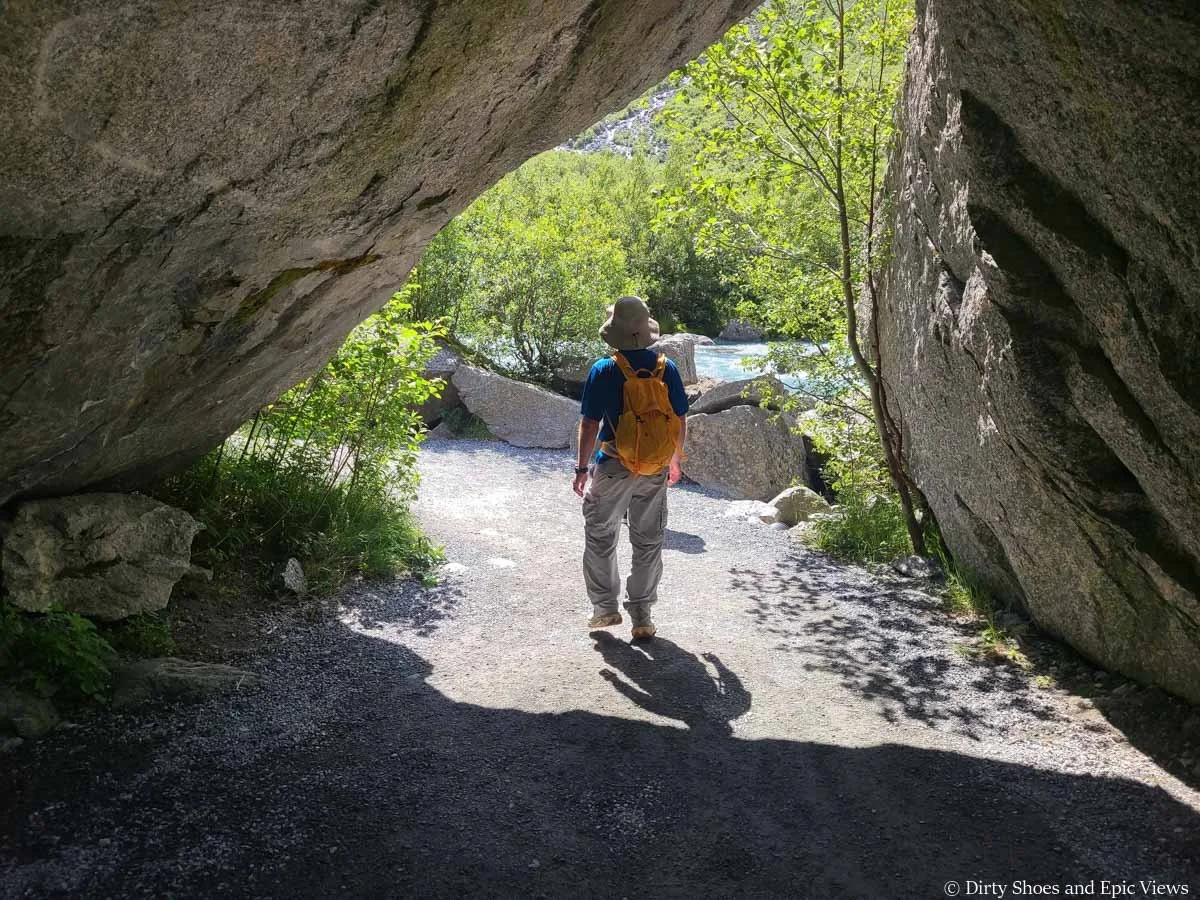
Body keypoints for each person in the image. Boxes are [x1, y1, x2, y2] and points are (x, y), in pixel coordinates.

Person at [572, 296, 689, 640]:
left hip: (613, 463)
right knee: (648, 539)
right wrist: (674, 459)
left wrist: (581, 468)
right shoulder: (666, 368)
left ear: (615, 334)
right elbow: (680, 419)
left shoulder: (604, 369)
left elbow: (590, 424)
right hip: (653, 466)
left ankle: (605, 608)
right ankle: (642, 614)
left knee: (600, 534)